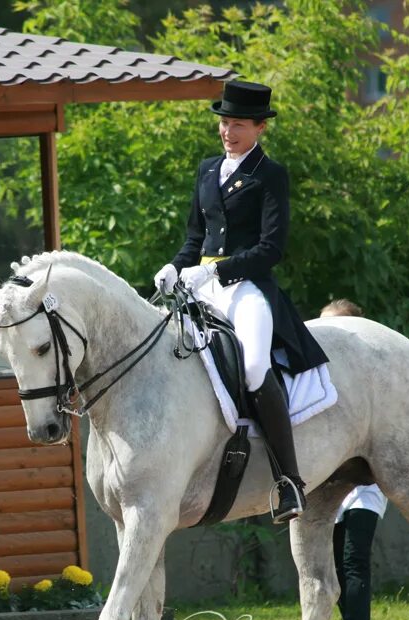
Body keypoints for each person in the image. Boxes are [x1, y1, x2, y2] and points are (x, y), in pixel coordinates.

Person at [154, 79, 327, 524]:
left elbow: (272, 248)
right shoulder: (208, 169)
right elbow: (196, 236)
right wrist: (175, 265)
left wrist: (216, 270)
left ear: (258, 129)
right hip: (200, 283)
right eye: (224, 123)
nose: (227, 132)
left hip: (245, 287)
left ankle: (289, 482)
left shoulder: (270, 175)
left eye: (237, 125)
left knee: (253, 367)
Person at [321, 298, 387, 620]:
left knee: (353, 559)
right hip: (330, 486)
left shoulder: (369, 375)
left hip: (363, 486)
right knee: (332, 563)